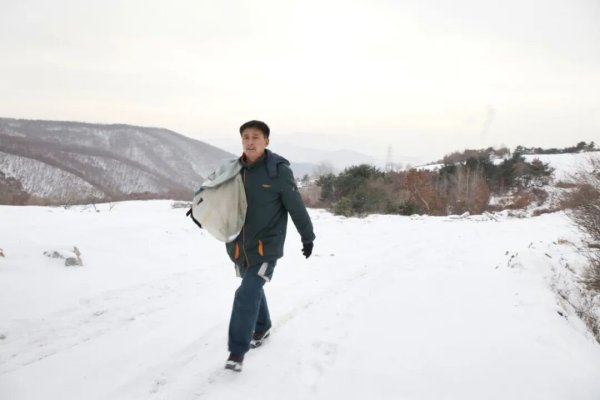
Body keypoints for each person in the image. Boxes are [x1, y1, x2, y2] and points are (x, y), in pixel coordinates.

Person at [223, 120, 315, 372]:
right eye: (246, 137)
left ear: (266, 141)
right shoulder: (234, 170)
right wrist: (200, 210)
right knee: (252, 288)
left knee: (245, 293)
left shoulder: (278, 172)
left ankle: (236, 352)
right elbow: (215, 195)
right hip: (240, 245)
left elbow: (296, 207)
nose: (250, 141)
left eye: (256, 137)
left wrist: (307, 237)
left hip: (267, 247)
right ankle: (262, 327)